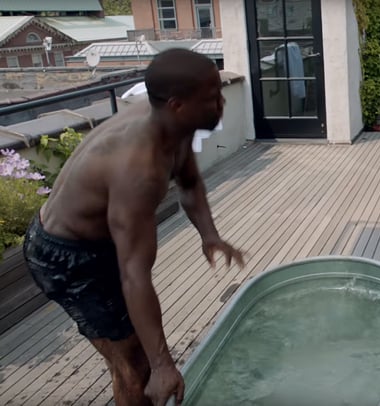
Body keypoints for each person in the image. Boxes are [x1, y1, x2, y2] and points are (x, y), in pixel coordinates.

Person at [23, 49, 245, 406]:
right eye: (212, 98)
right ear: (177, 104)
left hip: (97, 240)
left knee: (137, 356)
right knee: (137, 365)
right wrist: (162, 365)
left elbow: (188, 180)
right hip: (64, 256)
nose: (221, 103)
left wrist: (209, 234)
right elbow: (134, 275)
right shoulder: (139, 169)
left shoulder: (175, 121)